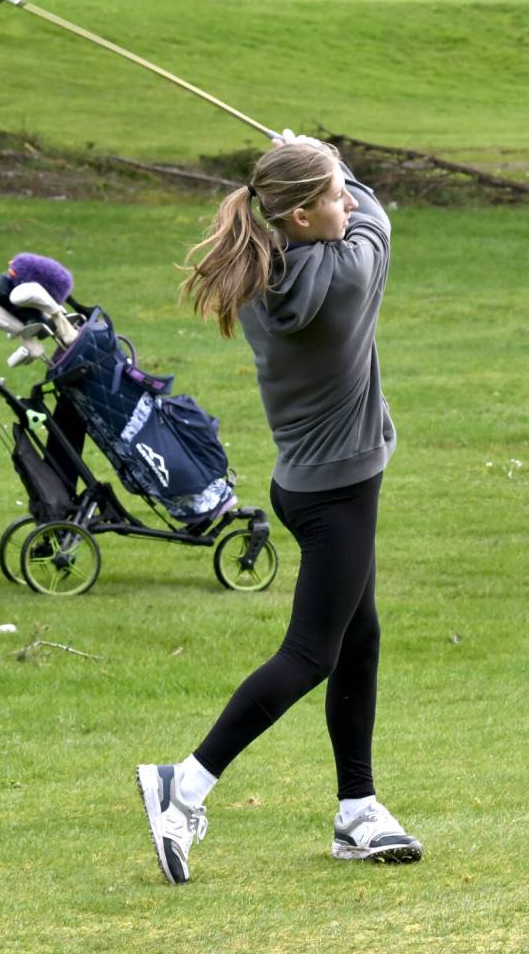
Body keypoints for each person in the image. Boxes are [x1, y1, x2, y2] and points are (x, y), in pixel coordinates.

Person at [136, 130, 421, 884]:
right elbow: (378, 216)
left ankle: (357, 811)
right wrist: (320, 147)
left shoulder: (258, 270)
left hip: (302, 485)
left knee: (359, 638)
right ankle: (185, 783)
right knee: (311, 655)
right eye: (331, 193)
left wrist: (307, 164)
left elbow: (342, 206)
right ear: (299, 216)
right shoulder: (352, 274)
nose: (347, 200)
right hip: (340, 493)